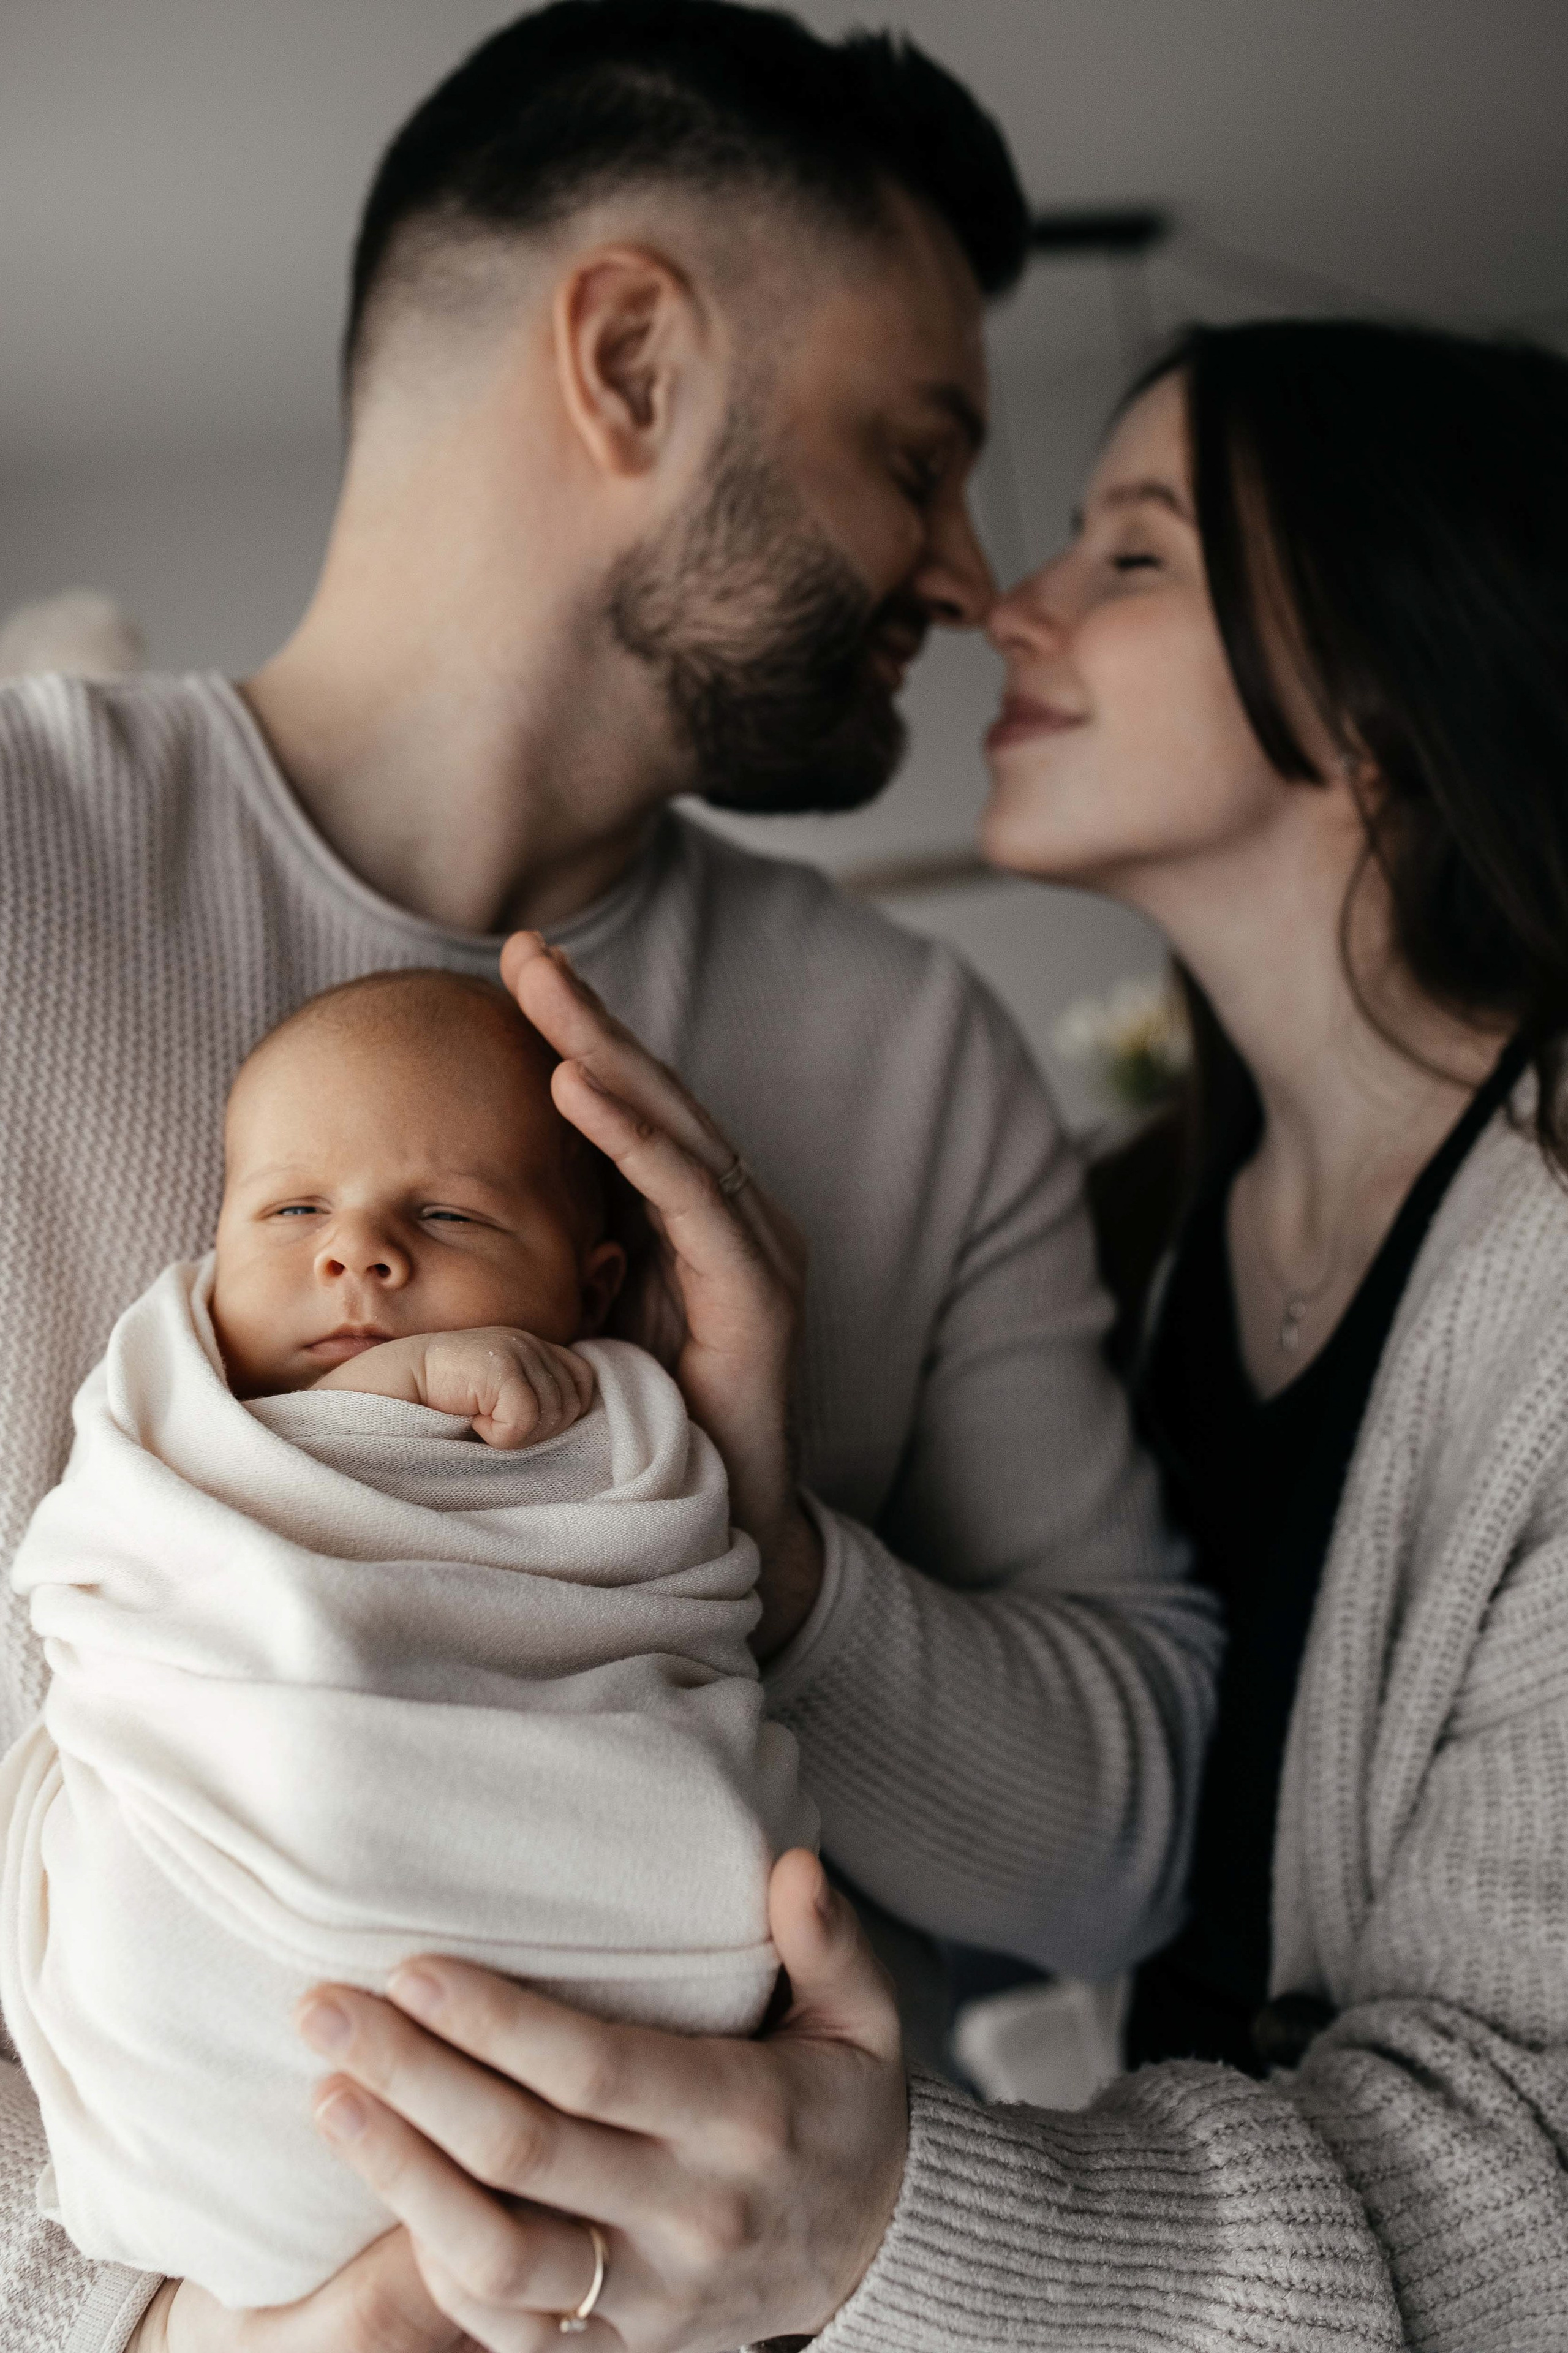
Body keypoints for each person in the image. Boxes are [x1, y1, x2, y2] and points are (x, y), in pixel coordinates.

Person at [0, 7, 1220, 2349]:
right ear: (636, 360)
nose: (975, 573)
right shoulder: (18, 881)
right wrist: (169, 2338)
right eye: (921, 450)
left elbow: (1116, 1856)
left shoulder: (913, 1055)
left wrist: (748, 1542)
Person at [292, 320, 1568, 2351]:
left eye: (1130, 553)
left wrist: (880, 2230)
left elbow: (1537, 2189)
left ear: (1396, 684)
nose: (1003, 595)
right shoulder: (1153, 1234)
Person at [3, 968, 816, 2308]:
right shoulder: (178, 1399)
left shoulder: (631, 1425)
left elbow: (674, 1608)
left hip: (588, 1981)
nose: (356, 1254)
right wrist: (393, 1386)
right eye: (292, 1210)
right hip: (227, 1917)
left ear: (590, 1283)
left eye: (444, 1213)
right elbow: (108, 1563)